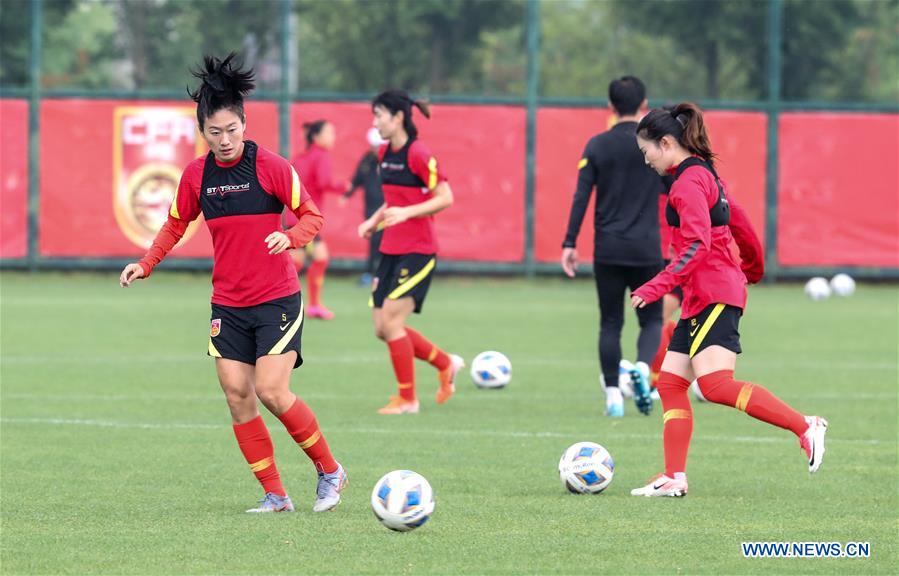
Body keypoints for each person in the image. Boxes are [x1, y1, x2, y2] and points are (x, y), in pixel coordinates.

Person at [119, 53, 347, 513]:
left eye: (232, 130)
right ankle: (276, 495)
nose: (225, 141)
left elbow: (313, 216)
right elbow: (174, 225)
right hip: (228, 302)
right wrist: (147, 263)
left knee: (271, 390)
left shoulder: (272, 167)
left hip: (277, 296)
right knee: (237, 395)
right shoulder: (197, 175)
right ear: (202, 132)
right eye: (214, 132)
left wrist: (291, 236)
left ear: (245, 123)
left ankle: (329, 471)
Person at [629, 102, 828, 497]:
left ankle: (806, 426)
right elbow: (735, 217)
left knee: (716, 385)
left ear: (665, 143)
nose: (646, 159)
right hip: (710, 291)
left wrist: (656, 286)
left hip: (713, 292)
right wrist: (753, 265)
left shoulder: (686, 185)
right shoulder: (702, 172)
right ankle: (675, 476)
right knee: (670, 383)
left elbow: (698, 244)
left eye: (646, 150)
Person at [561, 75, 665, 418]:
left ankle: (612, 396)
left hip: (608, 248)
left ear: (609, 107)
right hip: (647, 248)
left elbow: (580, 197)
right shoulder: (655, 146)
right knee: (650, 321)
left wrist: (569, 243)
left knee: (610, 323)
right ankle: (641, 368)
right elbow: (674, 193)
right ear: (644, 106)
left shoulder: (596, 145)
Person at [357, 89, 464, 415]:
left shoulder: (419, 153)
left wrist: (407, 213)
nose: (375, 122)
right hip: (390, 248)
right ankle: (445, 363)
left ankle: (408, 399)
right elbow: (394, 199)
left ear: (398, 117)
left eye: (379, 115)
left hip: (418, 250)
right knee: (381, 327)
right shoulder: (384, 153)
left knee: (391, 322)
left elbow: (445, 197)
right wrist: (375, 220)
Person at [286, 120, 348, 320]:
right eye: (329, 132)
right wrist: (343, 187)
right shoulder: (321, 156)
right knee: (320, 258)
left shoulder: (300, 157)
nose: (333, 136)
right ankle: (310, 305)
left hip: (294, 216)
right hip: (306, 218)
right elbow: (324, 182)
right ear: (316, 136)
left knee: (295, 262)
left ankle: (282, 302)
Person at [342, 127, 386, 285]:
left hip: (387, 208)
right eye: (374, 146)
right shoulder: (367, 160)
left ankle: (382, 274)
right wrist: (347, 194)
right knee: (374, 240)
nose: (376, 149)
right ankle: (370, 273)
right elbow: (357, 178)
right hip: (371, 208)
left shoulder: (390, 161)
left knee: (385, 241)